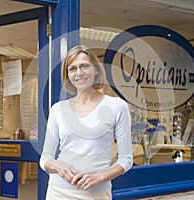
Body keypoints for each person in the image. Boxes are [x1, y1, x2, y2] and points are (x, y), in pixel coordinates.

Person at [39, 45, 133, 199]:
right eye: (73, 69)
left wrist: (99, 177)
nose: (79, 73)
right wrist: (57, 165)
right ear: (67, 74)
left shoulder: (117, 106)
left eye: (84, 66)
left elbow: (126, 160)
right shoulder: (58, 109)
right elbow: (44, 159)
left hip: (96, 193)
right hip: (58, 192)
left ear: (96, 69)